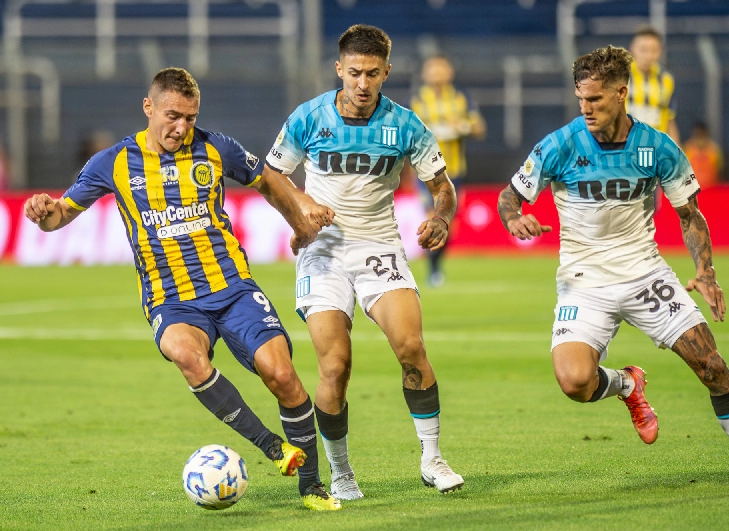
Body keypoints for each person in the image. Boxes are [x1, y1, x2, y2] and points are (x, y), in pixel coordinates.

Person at [23, 67, 341, 511]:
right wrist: (43, 211)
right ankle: (273, 448)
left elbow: (267, 181)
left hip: (231, 287)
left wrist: (300, 222)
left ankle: (312, 487)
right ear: (148, 107)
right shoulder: (113, 162)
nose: (182, 127)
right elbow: (60, 215)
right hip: (170, 299)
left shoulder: (215, 147)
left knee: (283, 376)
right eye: (173, 116)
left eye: (190, 117)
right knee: (187, 355)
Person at [263, 24, 464, 499]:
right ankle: (342, 473)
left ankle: (432, 459)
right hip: (324, 251)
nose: (362, 83)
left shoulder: (406, 125)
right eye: (354, 72)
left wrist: (441, 218)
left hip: (379, 245)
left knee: (411, 346)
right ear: (339, 69)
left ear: (386, 72)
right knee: (335, 366)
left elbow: (443, 187)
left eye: (373, 73)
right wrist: (301, 209)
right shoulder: (308, 118)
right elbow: (271, 176)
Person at [497, 45, 729, 445]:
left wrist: (705, 271)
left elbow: (689, 214)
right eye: (581, 98)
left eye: (595, 98)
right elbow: (509, 197)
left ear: (621, 93)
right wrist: (515, 218)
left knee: (713, 368)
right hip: (583, 282)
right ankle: (627, 384)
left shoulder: (656, 148)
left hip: (644, 274)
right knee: (574, 382)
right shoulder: (561, 145)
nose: (586, 108)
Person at [409, 55, 486, 286]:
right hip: (425, 172)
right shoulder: (416, 100)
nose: (437, 74)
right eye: (432, 70)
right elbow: (406, 131)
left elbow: (479, 128)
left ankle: (436, 266)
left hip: (454, 170)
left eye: (441, 69)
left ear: (449, 72)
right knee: (431, 218)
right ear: (425, 74)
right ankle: (432, 271)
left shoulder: (461, 98)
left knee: (449, 225)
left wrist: (461, 126)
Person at [627, 25, 680, 143]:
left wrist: (677, 154)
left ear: (660, 51)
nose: (648, 55)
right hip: (625, 148)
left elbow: (670, 120)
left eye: (653, 50)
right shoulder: (619, 76)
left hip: (654, 148)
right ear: (633, 48)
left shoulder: (667, 79)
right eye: (643, 50)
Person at [683, 122, 724, 188]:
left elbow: (720, 172)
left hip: (711, 189)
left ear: (706, 135)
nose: (700, 139)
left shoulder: (714, 151)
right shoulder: (688, 150)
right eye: (698, 135)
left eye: (702, 135)